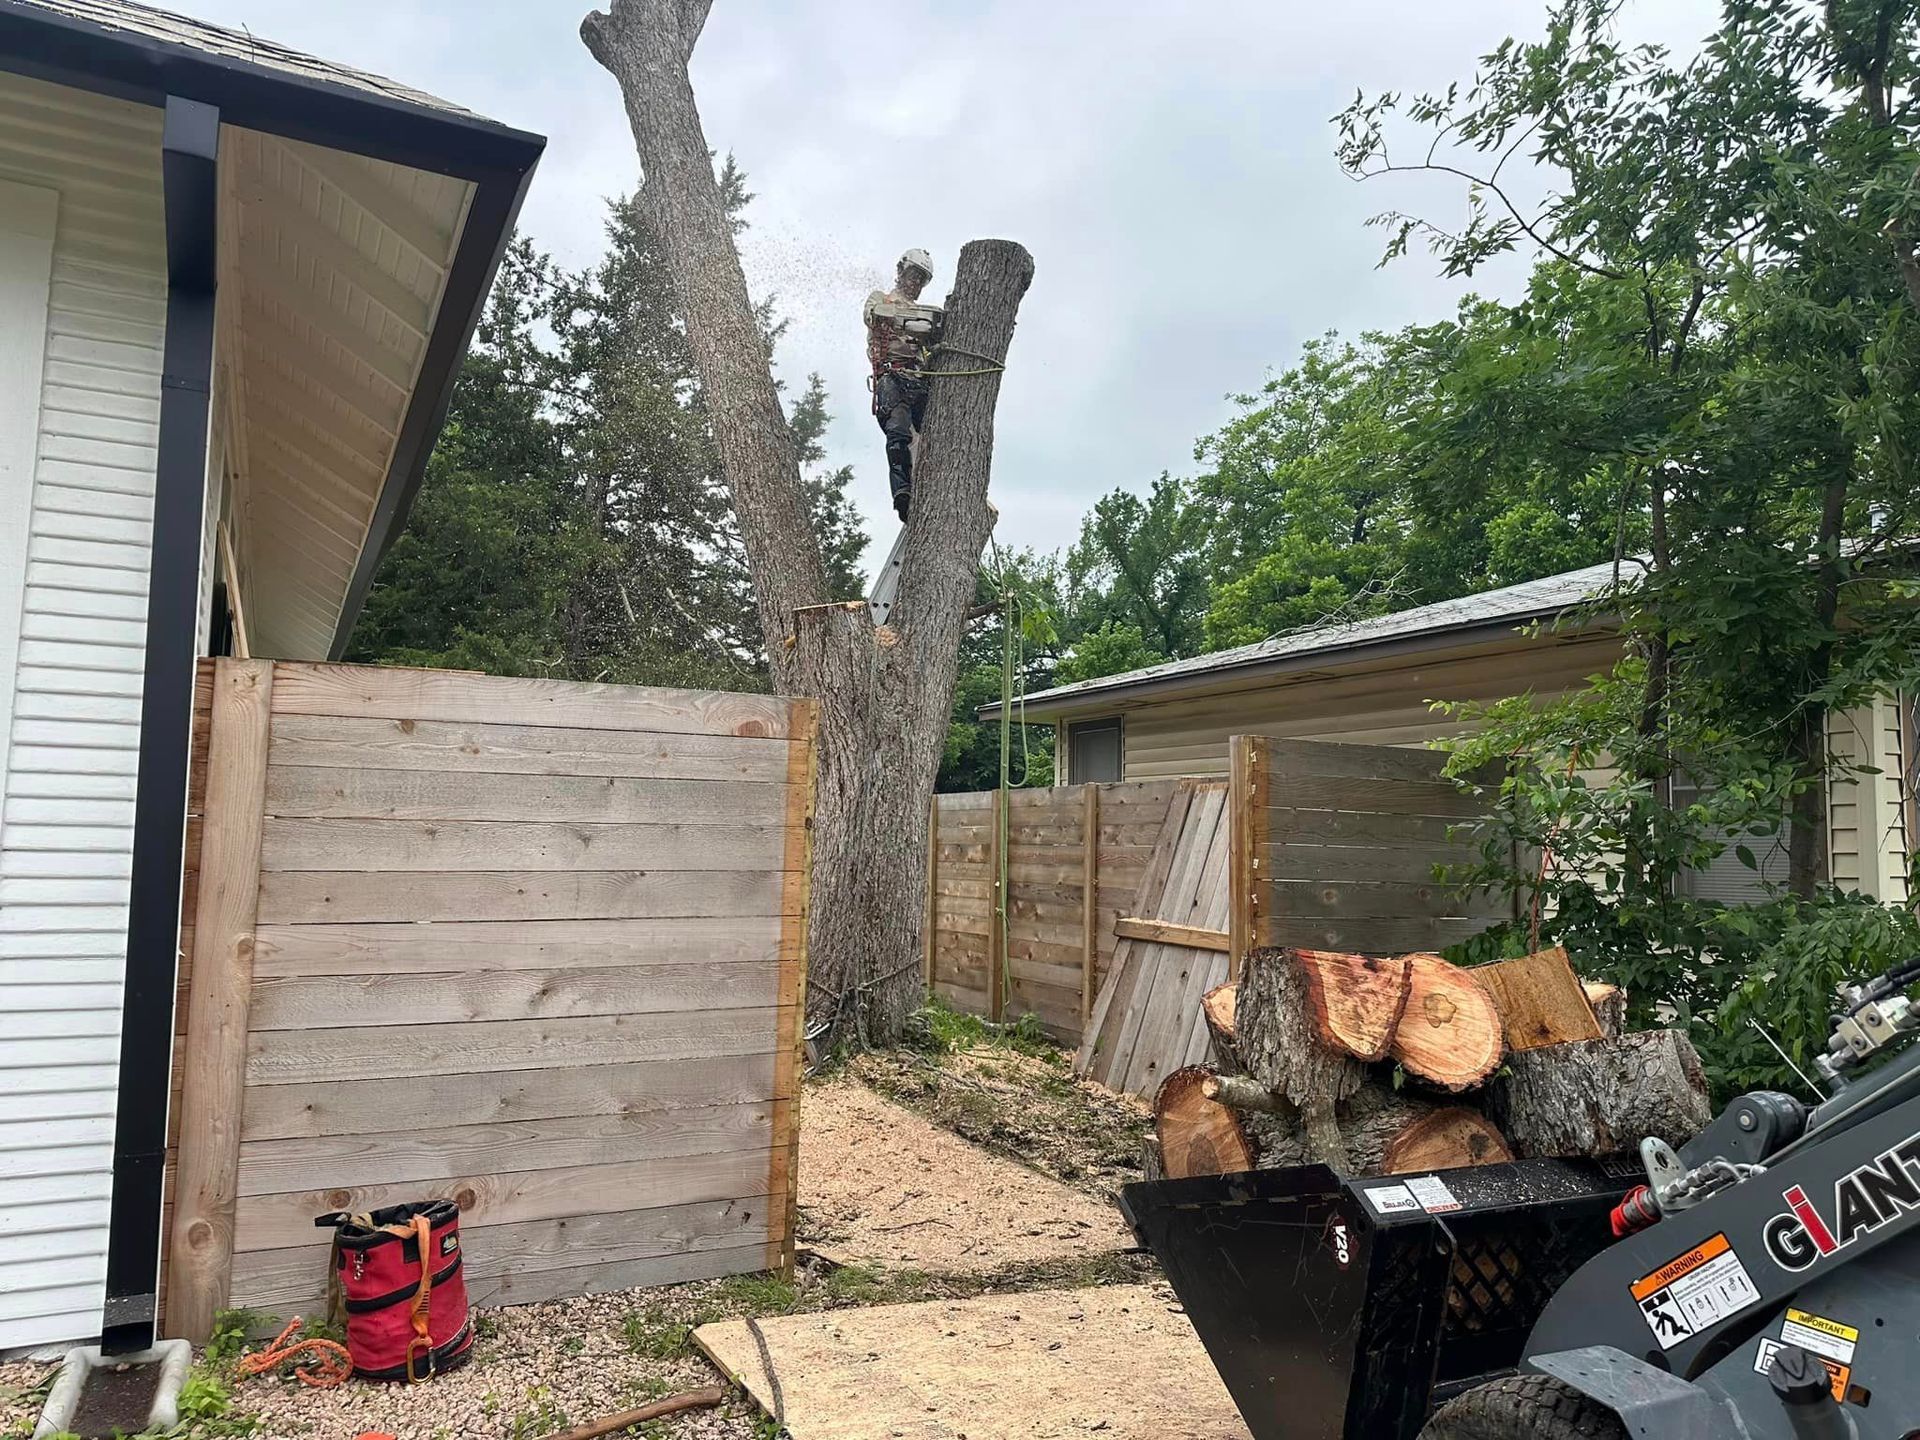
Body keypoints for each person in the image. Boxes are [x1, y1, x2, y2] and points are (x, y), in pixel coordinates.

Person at [863, 248, 944, 521]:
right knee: (898, 432)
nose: (916, 283)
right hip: (892, 378)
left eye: (921, 279)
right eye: (913, 275)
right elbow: (873, 314)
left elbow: (931, 346)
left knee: (935, 434)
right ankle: (903, 494)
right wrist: (905, 320)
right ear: (901, 271)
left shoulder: (925, 315)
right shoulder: (881, 299)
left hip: (919, 380)